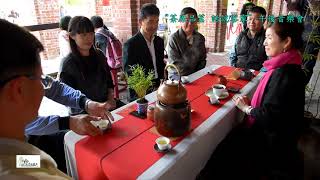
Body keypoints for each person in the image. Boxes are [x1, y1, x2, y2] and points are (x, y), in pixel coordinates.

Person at [199, 17, 305, 179]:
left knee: (221, 152)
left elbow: (270, 116)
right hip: (278, 137)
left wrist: (247, 108)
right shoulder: (290, 65)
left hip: (271, 144)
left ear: (286, 42)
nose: (264, 42)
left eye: (270, 38)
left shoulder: (284, 74)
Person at [0, 19, 70, 179]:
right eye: (40, 79)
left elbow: (31, 161)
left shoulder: (15, 155)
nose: (43, 86)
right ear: (19, 90)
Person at [26, 77, 114, 172]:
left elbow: (56, 88)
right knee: (45, 168)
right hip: (13, 158)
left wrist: (86, 103)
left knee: (73, 149)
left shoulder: (29, 71)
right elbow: (22, 122)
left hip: (34, 136)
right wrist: (68, 122)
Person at [60, 16, 116, 114]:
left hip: (105, 105)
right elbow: (68, 98)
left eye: (91, 34)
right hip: (83, 113)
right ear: (72, 36)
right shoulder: (68, 64)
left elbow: (109, 81)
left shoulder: (99, 55)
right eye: (83, 35)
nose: (89, 38)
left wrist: (111, 98)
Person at [123, 3, 166, 101]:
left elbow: (159, 63)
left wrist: (163, 81)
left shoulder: (159, 41)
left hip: (158, 86)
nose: (154, 25)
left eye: (157, 21)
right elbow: (129, 73)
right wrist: (144, 90)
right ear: (140, 22)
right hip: (140, 92)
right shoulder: (131, 44)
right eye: (150, 21)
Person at [167, 7, 206, 78]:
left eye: (193, 19)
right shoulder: (174, 38)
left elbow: (202, 60)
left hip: (195, 74)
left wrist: (197, 74)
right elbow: (175, 64)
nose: (190, 23)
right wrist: (191, 76)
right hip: (177, 75)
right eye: (186, 20)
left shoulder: (200, 38)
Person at [229, 6, 268, 71]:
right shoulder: (240, 36)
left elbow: (269, 61)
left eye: (256, 19)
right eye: (250, 19)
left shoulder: (267, 38)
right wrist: (233, 69)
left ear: (263, 20)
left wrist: (259, 74)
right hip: (238, 72)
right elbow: (232, 56)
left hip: (257, 76)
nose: (252, 22)